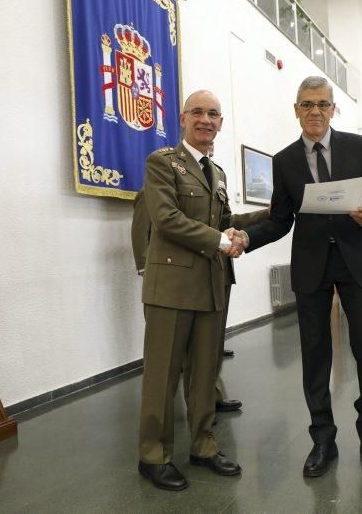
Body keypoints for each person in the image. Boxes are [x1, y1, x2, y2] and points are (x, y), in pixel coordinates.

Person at [239, 76, 362, 478]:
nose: (315, 112)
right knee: (315, 354)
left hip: (356, 260)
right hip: (311, 266)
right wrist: (247, 238)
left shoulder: (358, 147)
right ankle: (323, 438)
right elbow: (279, 219)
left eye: (322, 104)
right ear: (296, 110)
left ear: (333, 108)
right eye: (307, 104)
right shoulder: (284, 160)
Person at [137, 90, 247, 491]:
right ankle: (153, 455)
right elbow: (166, 219)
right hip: (171, 288)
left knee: (205, 373)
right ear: (183, 118)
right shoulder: (162, 162)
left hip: (212, 287)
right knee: (162, 376)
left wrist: (275, 212)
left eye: (214, 114)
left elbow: (229, 220)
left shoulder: (216, 173)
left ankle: (203, 445)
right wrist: (222, 241)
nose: (206, 119)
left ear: (221, 122)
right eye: (197, 112)